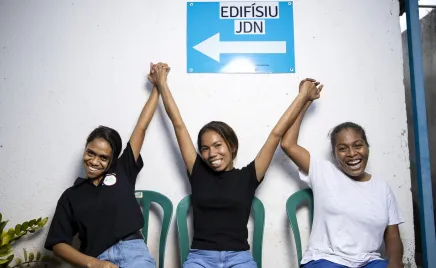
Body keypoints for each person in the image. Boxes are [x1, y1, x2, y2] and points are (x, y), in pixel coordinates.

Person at [149, 62, 323, 268]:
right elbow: (178, 124)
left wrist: (303, 97)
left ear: (231, 146)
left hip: (239, 258)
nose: (211, 153)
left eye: (217, 145)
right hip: (200, 258)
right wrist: (162, 84)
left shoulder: (248, 176)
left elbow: (276, 133)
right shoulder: (197, 172)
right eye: (204, 148)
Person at [44, 64, 161, 268]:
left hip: (133, 251)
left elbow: (141, 127)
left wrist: (157, 87)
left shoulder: (123, 169)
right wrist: (94, 264)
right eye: (90, 153)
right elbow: (57, 243)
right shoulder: (71, 196)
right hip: (97, 257)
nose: (95, 161)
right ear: (85, 150)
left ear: (112, 160)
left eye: (103, 157)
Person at [280, 82, 404, 268]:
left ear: (367, 147)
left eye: (358, 145)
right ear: (334, 154)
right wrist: (305, 100)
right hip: (327, 260)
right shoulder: (323, 172)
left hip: (369, 262)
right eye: (343, 149)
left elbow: (392, 234)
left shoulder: (382, 188)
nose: (352, 153)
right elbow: (288, 144)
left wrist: (395, 263)